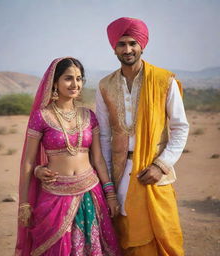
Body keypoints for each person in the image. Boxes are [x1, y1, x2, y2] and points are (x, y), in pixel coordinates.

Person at [95, 17, 189, 256]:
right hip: (119, 176)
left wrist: (161, 165)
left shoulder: (163, 80)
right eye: (121, 44)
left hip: (153, 175)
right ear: (114, 48)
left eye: (132, 43)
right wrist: (108, 185)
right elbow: (105, 136)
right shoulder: (104, 86)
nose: (127, 49)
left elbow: (180, 128)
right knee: (126, 240)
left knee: (163, 237)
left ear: (142, 46)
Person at [15, 57, 122, 256]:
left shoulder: (89, 115)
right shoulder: (41, 116)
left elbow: (97, 159)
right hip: (55, 194)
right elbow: (29, 161)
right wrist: (25, 202)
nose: (75, 84)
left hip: (90, 192)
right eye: (68, 78)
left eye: (79, 79)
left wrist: (111, 194)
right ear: (55, 82)